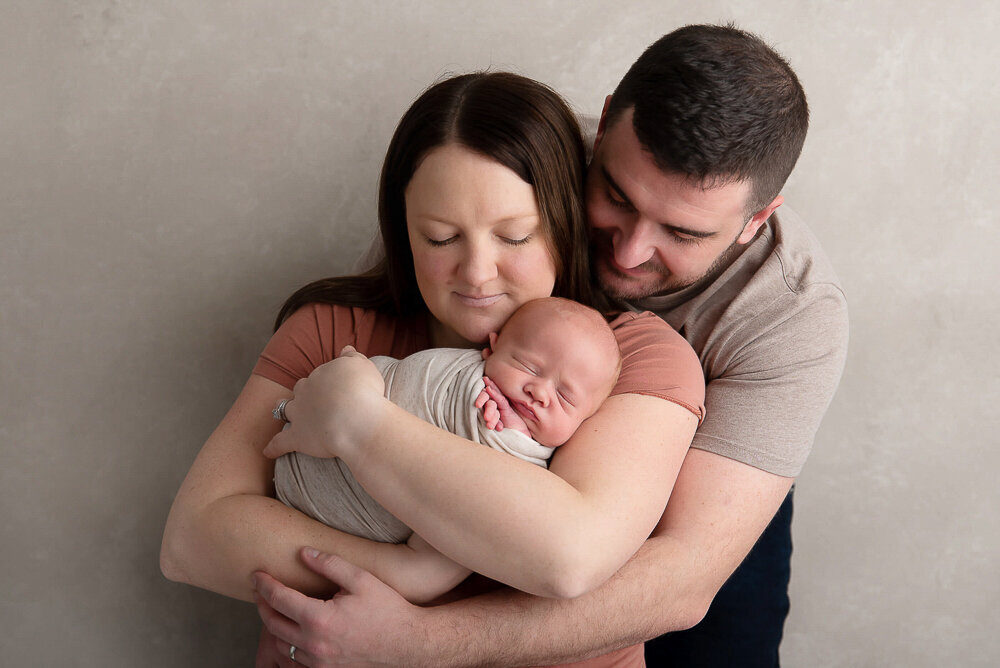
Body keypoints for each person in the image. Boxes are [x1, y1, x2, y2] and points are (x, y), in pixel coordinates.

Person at [249, 24, 848, 668]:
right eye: (616, 197)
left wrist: (418, 641)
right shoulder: (534, 163)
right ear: (607, 122)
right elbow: (425, 287)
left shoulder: (793, 312)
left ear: (755, 220)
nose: (629, 251)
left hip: (709, 484)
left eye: (680, 232)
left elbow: (682, 579)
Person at [160, 70, 705, 668]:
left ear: (563, 223)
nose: (476, 273)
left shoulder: (630, 359)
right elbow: (193, 541)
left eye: (515, 237)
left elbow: (567, 556)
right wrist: (406, 573)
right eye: (441, 238)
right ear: (403, 232)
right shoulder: (332, 329)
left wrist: (359, 423)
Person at [272, 297, 623, 604]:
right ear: (492, 348)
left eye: (564, 397)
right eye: (528, 366)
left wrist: (512, 440)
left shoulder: (540, 471)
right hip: (305, 458)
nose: (539, 392)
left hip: (344, 523)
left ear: (588, 419)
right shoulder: (468, 378)